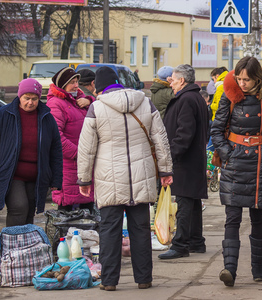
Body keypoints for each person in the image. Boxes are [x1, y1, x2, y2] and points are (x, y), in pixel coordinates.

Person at [77, 66, 173, 291]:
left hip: (108, 178)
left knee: (109, 230)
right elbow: (161, 139)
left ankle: (109, 281)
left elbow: (86, 148)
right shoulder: (144, 102)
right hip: (142, 175)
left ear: (97, 87)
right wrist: (166, 171)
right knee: (140, 229)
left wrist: (84, 179)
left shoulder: (96, 108)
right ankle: (144, 279)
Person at [211, 56, 262, 287]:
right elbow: (216, 128)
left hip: (260, 163)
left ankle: (257, 268)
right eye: (238, 78)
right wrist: (226, 152)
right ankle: (229, 269)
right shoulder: (230, 96)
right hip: (235, 163)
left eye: (246, 79)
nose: (242, 83)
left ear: (257, 78)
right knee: (232, 218)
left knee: (258, 216)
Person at [0, 78, 63, 227]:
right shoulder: (3, 115)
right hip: (11, 174)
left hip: (36, 175)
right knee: (19, 207)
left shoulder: (46, 118)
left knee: (30, 210)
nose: (30, 102)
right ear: (19, 97)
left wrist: (56, 178)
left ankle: (25, 246)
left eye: (34, 99)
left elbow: (55, 149)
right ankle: (12, 245)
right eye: (27, 98)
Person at [158, 64, 209, 260]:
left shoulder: (186, 99)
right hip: (193, 158)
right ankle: (196, 241)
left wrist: (171, 156)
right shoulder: (194, 97)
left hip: (185, 160)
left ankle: (180, 244)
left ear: (182, 80)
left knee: (185, 201)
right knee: (193, 200)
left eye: (173, 79)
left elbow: (184, 133)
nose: (170, 83)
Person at [47, 67, 96, 212]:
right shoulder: (55, 104)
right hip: (68, 166)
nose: (76, 85)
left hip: (83, 165)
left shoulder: (77, 100)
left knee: (87, 211)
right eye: (72, 82)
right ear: (62, 85)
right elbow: (56, 138)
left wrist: (90, 100)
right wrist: (80, 155)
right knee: (67, 211)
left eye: (77, 82)